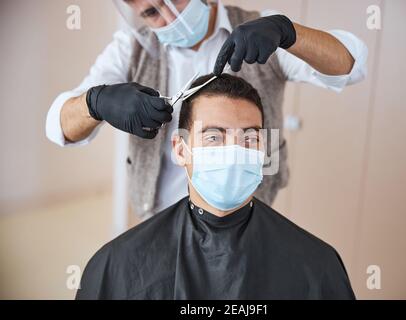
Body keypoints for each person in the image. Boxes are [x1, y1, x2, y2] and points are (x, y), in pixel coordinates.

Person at [46, 0, 368, 218]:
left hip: (248, 216)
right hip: (161, 216)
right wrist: (96, 102)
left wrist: (288, 34)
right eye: (152, 12)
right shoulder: (129, 50)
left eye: (176, 0)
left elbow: (351, 67)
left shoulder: (261, 32)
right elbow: (57, 125)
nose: (171, 18)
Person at [75, 74, 355, 300]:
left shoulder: (316, 266)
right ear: (181, 150)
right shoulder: (118, 266)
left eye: (249, 139)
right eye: (213, 137)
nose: (233, 152)